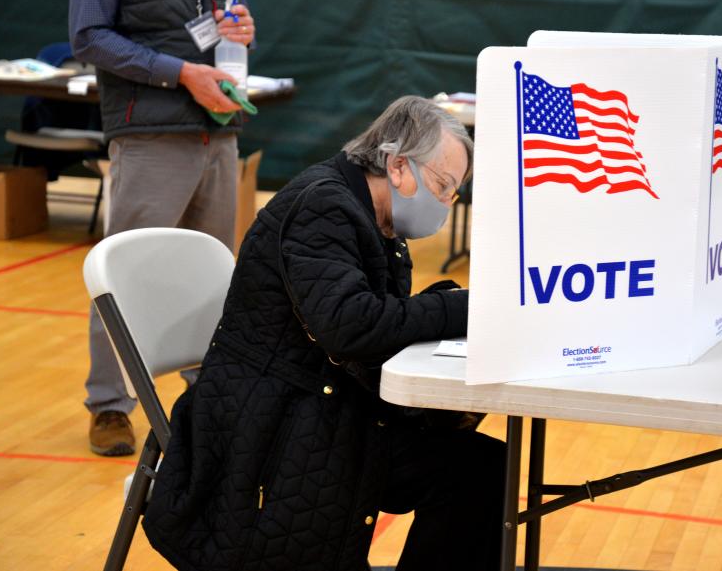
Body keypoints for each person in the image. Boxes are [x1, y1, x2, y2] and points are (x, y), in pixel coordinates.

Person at [140, 96, 505, 571]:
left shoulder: (376, 220)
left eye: (453, 193)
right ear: (397, 166)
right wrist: (459, 308)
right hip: (270, 424)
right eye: (442, 185)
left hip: (320, 404)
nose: (445, 203)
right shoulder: (322, 206)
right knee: (476, 472)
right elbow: (350, 327)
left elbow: (378, 320)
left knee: (482, 467)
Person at [68, 0, 257, 455]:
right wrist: (179, 74)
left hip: (218, 131)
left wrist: (241, 33)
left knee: (213, 279)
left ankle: (208, 403)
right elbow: (88, 35)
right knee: (121, 277)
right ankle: (109, 405)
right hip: (148, 132)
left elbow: (230, 24)